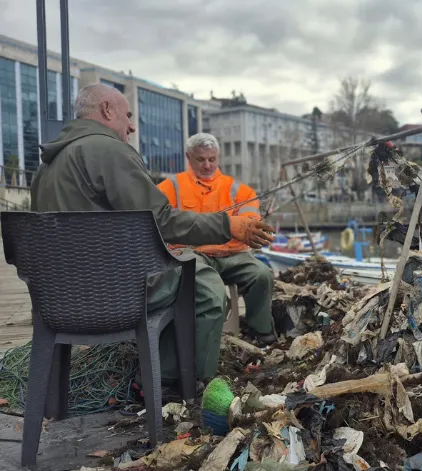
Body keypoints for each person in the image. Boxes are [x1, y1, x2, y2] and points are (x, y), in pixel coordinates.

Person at [30, 83, 275, 387]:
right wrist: (228, 225)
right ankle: (177, 381)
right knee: (206, 286)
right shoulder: (111, 152)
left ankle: (158, 372)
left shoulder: (45, 167)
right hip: (116, 297)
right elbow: (160, 220)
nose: (132, 126)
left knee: (193, 273)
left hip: (59, 302)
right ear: (107, 110)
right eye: (128, 115)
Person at [157, 133, 276, 344]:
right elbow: (156, 216)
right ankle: (204, 340)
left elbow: (251, 219)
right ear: (188, 157)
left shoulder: (239, 190)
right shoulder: (171, 186)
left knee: (262, 274)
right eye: (201, 159)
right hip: (193, 254)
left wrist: (250, 225)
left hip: (232, 255)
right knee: (211, 290)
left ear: (218, 157)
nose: (207, 165)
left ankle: (262, 331)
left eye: (212, 159)